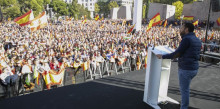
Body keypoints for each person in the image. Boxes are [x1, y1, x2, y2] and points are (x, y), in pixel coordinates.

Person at [156, 23, 202, 109]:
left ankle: (184, 107)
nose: (180, 29)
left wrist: (162, 56)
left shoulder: (187, 39)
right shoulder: (197, 39)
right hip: (194, 68)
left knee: (184, 91)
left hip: (186, 69)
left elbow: (177, 54)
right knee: (186, 89)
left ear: (186, 29)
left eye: (182, 28)